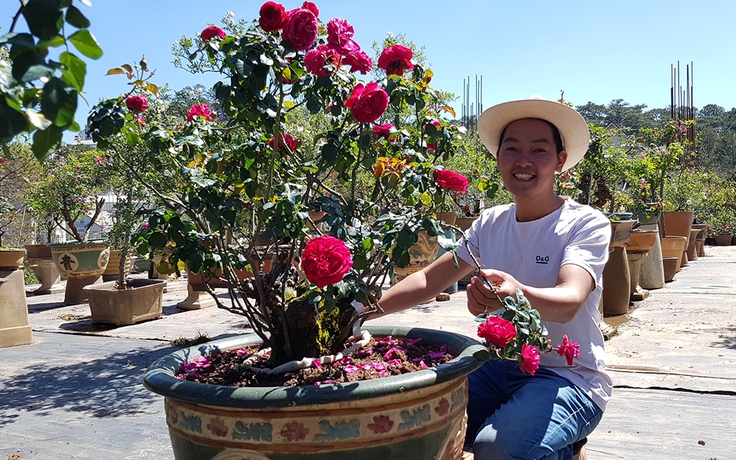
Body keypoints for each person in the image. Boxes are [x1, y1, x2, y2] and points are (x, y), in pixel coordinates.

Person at [374, 96, 612, 459]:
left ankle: (560, 447)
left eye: (539, 150)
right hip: (498, 367)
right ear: (498, 157)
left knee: (497, 448)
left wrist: (516, 292)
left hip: (569, 377)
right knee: (412, 417)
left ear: (560, 160)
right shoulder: (490, 223)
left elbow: (570, 301)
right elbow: (428, 281)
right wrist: (360, 311)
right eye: (512, 148)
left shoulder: (584, 224)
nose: (524, 161)